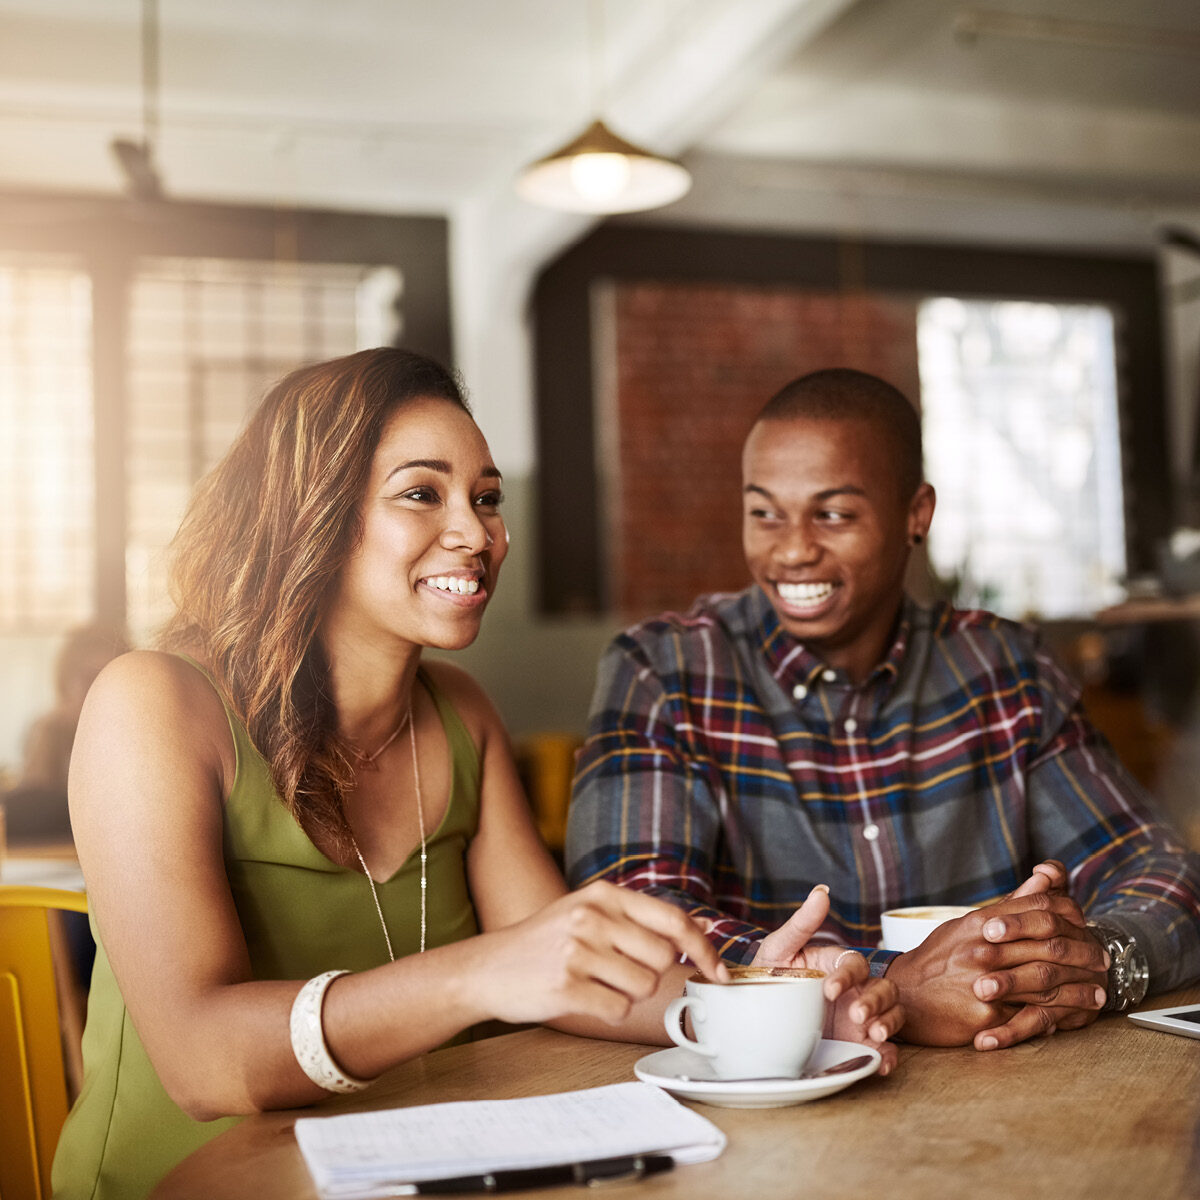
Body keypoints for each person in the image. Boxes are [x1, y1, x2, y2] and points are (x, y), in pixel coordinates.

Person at [54, 350, 902, 1200]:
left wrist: (769, 1003)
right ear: (311, 514)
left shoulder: (460, 713)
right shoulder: (153, 703)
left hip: (423, 1167)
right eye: (422, 493)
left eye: (487, 499)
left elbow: (568, 979)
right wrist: (480, 971)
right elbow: (203, 1064)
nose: (477, 533)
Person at [566, 366, 1200, 1051]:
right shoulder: (663, 670)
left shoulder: (1006, 667)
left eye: (833, 513)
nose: (791, 549)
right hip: (771, 1120)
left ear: (914, 515)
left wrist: (1086, 963)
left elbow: (1154, 866)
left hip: (1002, 1101)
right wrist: (895, 985)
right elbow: (635, 921)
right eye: (764, 513)